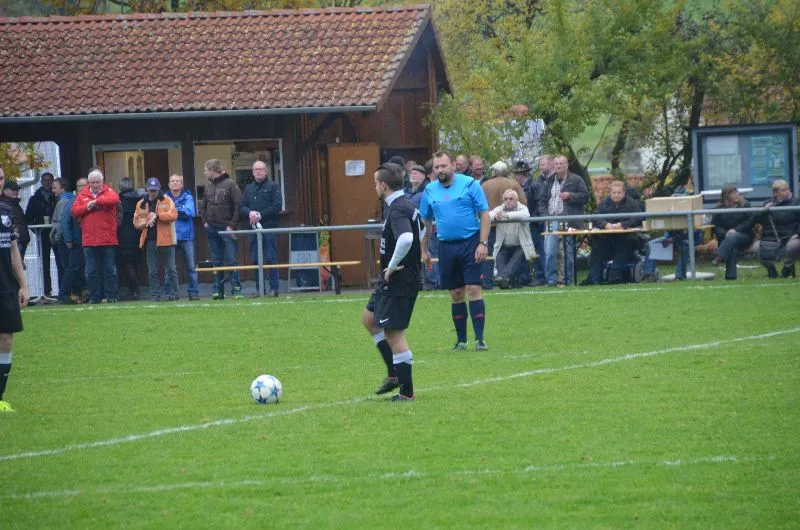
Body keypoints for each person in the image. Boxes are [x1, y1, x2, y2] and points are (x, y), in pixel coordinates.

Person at [361, 162, 422, 401]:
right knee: (369, 319)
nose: (375, 187)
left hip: (399, 279)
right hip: (391, 279)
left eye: (376, 183)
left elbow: (406, 238)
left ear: (383, 185)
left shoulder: (397, 209)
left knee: (393, 334)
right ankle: (393, 373)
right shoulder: (403, 204)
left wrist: (395, 263)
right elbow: (420, 230)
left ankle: (406, 393)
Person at [420, 151, 491, 351]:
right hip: (446, 246)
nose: (440, 170)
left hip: (471, 243)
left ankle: (480, 339)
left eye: (443, 166)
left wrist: (483, 243)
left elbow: (484, 215)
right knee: (456, 293)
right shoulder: (429, 190)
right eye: (436, 167)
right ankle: (461, 341)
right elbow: (426, 223)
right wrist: (424, 250)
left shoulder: (470, 184)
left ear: (453, 165)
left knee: (474, 289)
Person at [538, 155, 589, 286]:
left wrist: (570, 196)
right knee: (550, 252)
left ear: (567, 165)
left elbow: (585, 196)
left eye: (561, 163)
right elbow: (542, 201)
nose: (559, 166)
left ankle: (568, 280)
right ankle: (551, 280)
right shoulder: (549, 181)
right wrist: (545, 216)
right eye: (556, 164)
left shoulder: (576, 179)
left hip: (569, 220)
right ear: (553, 166)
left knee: (568, 253)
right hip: (551, 220)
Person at [71, 168, 120, 303]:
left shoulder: (109, 191)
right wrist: (87, 207)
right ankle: (94, 297)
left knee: (110, 270)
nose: (96, 185)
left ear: (102, 181)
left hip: (108, 239)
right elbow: (74, 211)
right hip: (89, 240)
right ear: (89, 183)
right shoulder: (82, 195)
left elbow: (114, 199)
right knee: (91, 271)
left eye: (98, 182)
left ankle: (111, 296)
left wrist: (96, 202)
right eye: (93, 183)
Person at [0, 191, 30, 413]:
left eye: (1, 178)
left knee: (6, 339)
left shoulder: (6, 212)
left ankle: (0, 397)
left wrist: (24, 285)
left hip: (5, 286)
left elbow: (13, 251)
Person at [582, 180, 642, 285]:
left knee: (623, 246)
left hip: (627, 238)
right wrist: (605, 224)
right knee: (597, 249)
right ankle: (594, 278)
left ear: (624, 192)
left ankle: (614, 275)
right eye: (614, 192)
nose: (616, 195)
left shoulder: (632, 203)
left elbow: (638, 218)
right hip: (607, 238)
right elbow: (595, 217)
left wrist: (622, 224)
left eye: (619, 192)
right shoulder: (604, 203)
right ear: (610, 193)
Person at [200, 159, 243, 299]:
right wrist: (205, 222)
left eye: (205, 170)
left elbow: (238, 206)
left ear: (212, 170)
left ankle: (236, 289)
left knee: (231, 259)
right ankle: (218, 290)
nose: (204, 173)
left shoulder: (231, 184)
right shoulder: (207, 186)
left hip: (227, 229)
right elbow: (203, 206)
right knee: (216, 261)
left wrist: (231, 225)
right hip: (211, 229)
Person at [481, 161, 527, 289]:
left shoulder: (485, 185)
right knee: (510, 252)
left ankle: (487, 282)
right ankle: (510, 280)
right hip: (509, 225)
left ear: (494, 171)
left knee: (490, 253)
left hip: (491, 224)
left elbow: (479, 205)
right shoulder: (513, 184)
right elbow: (523, 202)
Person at [240, 160, 282, 297]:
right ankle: (260, 289)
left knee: (270, 258)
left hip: (269, 228)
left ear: (266, 171)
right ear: (252, 172)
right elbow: (242, 206)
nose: (258, 171)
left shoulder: (273, 186)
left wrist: (260, 215)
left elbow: (277, 205)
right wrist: (250, 213)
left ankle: (274, 289)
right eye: (255, 169)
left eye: (260, 169)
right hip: (253, 230)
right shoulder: (248, 189)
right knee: (256, 260)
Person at [134, 177, 179, 301]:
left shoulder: (167, 200)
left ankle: (175, 294)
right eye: (150, 190)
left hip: (167, 240)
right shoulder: (141, 204)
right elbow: (136, 223)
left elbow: (174, 215)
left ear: (159, 189)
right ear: (146, 189)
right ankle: (155, 295)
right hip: (150, 240)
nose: (152, 192)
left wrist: (158, 216)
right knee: (152, 271)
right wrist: (148, 220)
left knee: (171, 269)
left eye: (155, 190)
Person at [489, 189, 536, 288]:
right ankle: (505, 281)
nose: (508, 201)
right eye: (506, 199)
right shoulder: (500, 208)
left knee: (516, 257)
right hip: (503, 246)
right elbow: (489, 216)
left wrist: (507, 215)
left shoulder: (523, 208)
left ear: (516, 200)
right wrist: (494, 216)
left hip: (521, 245)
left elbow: (525, 215)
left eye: (511, 199)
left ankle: (502, 278)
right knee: (499, 256)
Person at [165, 174, 200, 301]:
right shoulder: (164, 198)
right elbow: (162, 213)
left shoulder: (188, 197)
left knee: (191, 267)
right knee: (169, 268)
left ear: (181, 184)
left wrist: (172, 212)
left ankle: (194, 293)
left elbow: (190, 213)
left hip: (186, 237)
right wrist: (180, 210)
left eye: (177, 181)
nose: (175, 183)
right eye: (172, 181)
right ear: (169, 184)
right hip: (170, 236)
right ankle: (170, 293)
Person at [756, 179, 800, 278]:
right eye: (783, 190)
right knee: (759, 249)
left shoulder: (796, 202)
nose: (787, 192)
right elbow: (756, 219)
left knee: (793, 246)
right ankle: (771, 270)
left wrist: (798, 234)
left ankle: (787, 268)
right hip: (770, 236)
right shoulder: (767, 203)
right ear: (775, 193)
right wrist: (764, 210)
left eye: (788, 189)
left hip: (790, 235)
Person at [710, 184, 755, 280]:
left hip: (745, 236)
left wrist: (736, 230)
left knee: (733, 236)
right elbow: (715, 226)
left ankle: (719, 256)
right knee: (731, 244)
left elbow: (750, 222)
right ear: (726, 196)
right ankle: (730, 277)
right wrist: (725, 233)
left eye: (736, 192)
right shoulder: (718, 208)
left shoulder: (745, 205)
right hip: (726, 239)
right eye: (733, 193)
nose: (736, 195)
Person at [25, 172, 57, 297]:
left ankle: (65, 290)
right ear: (41, 182)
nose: (47, 183)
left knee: (61, 261)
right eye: (45, 180)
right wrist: (37, 230)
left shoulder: (57, 196)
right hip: (42, 234)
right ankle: (46, 291)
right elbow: (28, 218)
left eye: (50, 180)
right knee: (44, 263)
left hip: (56, 234)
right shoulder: (35, 199)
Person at [60, 177, 88, 304]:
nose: (83, 188)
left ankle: (86, 292)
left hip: (89, 240)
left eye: (85, 185)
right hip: (77, 241)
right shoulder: (72, 202)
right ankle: (64, 294)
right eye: (80, 186)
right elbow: (65, 222)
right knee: (73, 267)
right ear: (76, 188)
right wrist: (68, 239)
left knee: (83, 267)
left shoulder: (90, 200)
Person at [117, 177, 143, 300]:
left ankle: (133, 290)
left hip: (124, 234)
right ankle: (135, 290)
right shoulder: (139, 198)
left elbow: (119, 219)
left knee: (127, 264)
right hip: (137, 233)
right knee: (135, 262)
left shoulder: (120, 200)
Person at [48, 178, 73, 293]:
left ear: (63, 187)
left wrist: (57, 237)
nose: (52, 190)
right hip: (67, 238)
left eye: (55, 187)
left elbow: (61, 222)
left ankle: (65, 292)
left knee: (64, 267)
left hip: (62, 240)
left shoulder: (63, 202)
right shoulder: (71, 199)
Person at [0, 181, 29, 259]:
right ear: (4, 190)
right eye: (13, 189)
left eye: (17, 189)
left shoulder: (15, 204)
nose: (16, 191)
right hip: (13, 242)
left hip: (21, 241)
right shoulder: (4, 206)